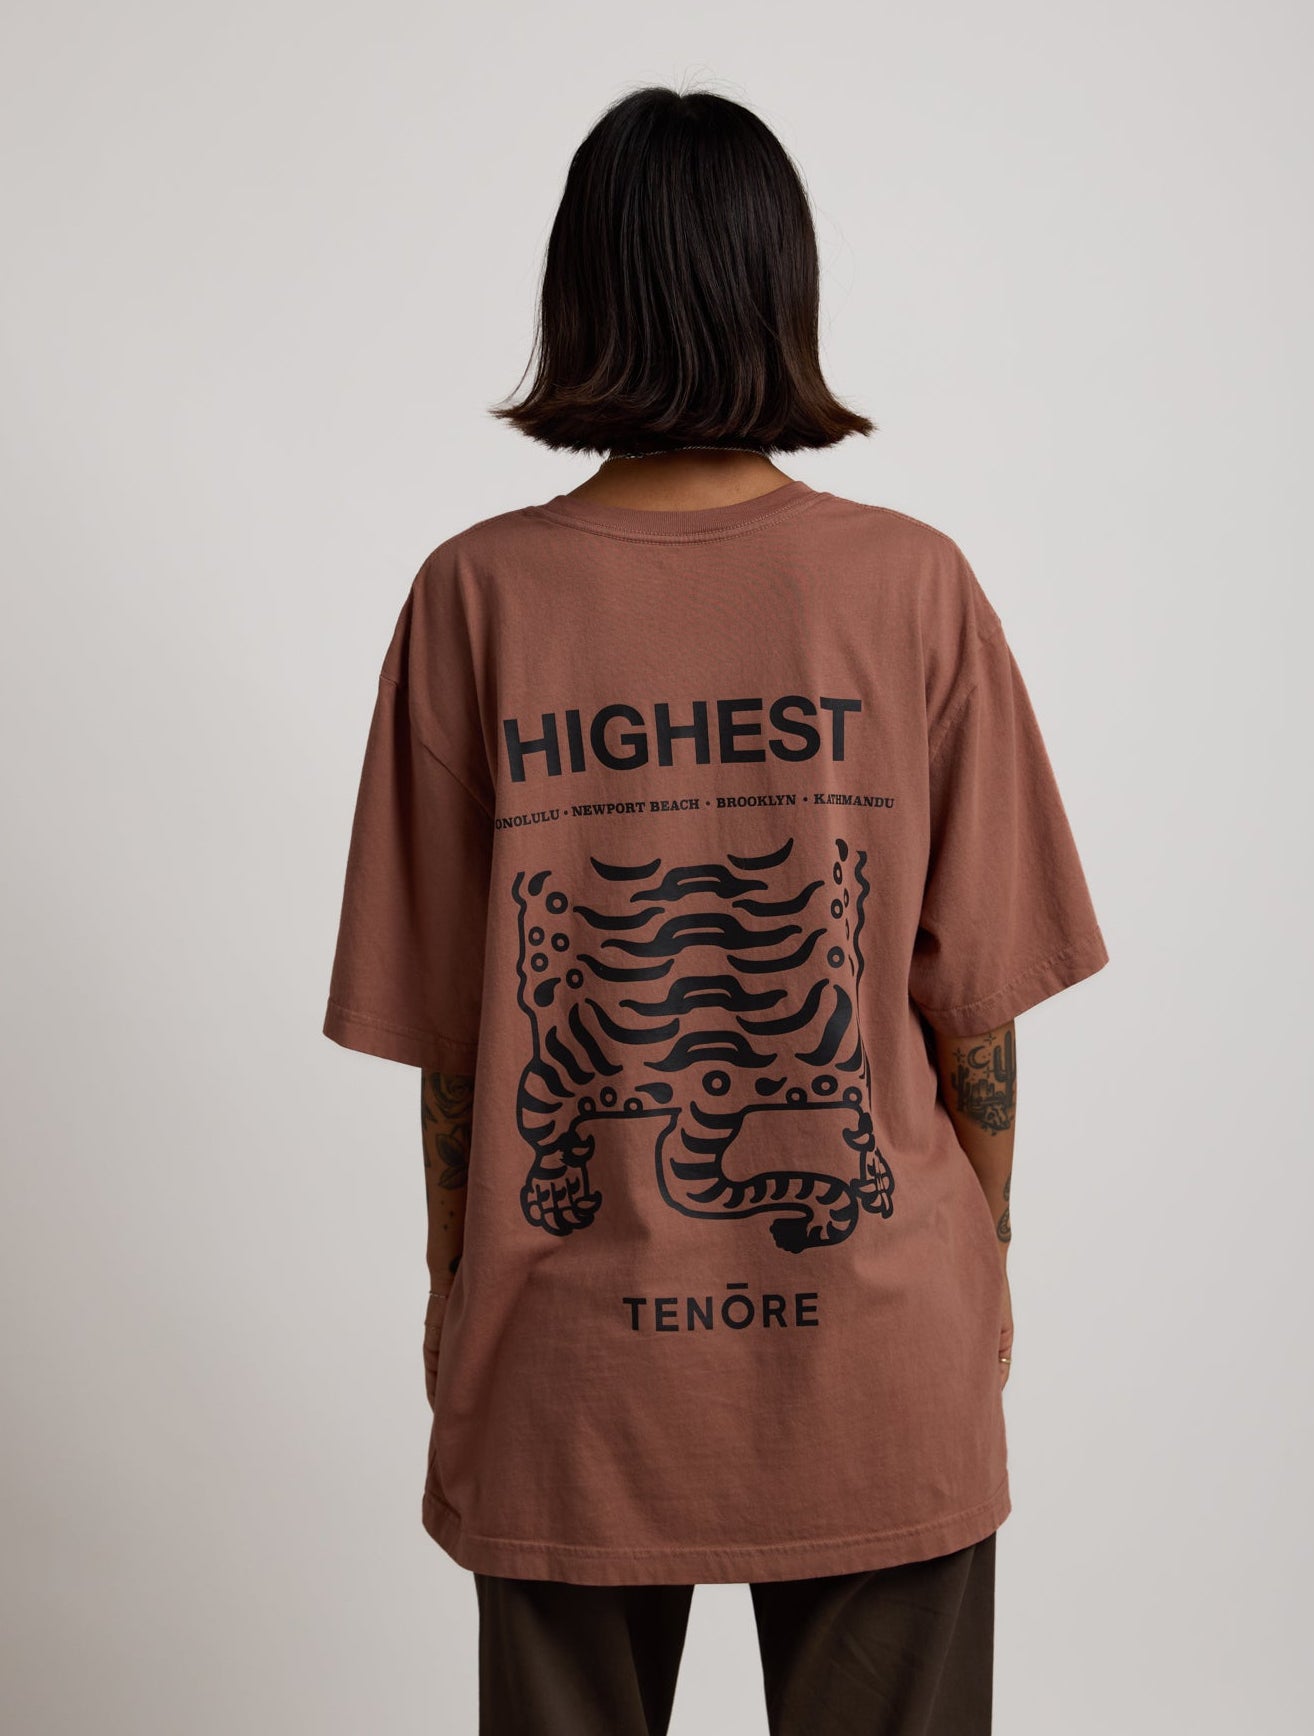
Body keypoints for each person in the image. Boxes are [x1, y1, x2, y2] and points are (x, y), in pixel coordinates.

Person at [322, 84, 1109, 1736]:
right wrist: (986, 1263)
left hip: (565, 1351)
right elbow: (976, 1009)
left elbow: (459, 1039)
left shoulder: (475, 597)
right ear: (782, 294)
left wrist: (453, 1281)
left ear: (577, 295)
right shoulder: (912, 587)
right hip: (880, 1335)